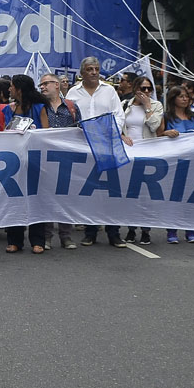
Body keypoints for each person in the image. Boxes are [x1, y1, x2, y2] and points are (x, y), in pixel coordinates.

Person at [69, 57, 129, 248]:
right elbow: (69, 117)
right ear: (82, 73)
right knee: (90, 190)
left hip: (107, 145)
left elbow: (119, 115)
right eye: (89, 69)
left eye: (96, 68)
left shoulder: (109, 90)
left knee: (111, 190)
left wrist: (110, 131)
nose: (94, 72)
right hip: (84, 146)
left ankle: (114, 233)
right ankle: (90, 231)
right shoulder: (73, 93)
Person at [3, 75, 51, 254]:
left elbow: (46, 134)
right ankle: (15, 240)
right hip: (15, 162)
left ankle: (38, 240)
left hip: (35, 160)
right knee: (15, 200)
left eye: (12, 87)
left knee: (36, 200)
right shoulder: (10, 110)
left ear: (19, 89)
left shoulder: (39, 108)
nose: (9, 90)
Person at [38, 73, 80, 250]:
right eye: (41, 85)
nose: (43, 87)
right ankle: (46, 237)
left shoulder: (71, 107)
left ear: (57, 85)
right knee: (46, 198)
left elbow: (80, 128)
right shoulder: (39, 107)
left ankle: (66, 236)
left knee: (65, 198)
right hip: (45, 158)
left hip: (66, 157)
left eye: (46, 84)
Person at [120, 76, 162, 246]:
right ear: (135, 88)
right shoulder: (125, 105)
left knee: (145, 194)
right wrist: (122, 135)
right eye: (142, 88)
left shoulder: (156, 105)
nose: (146, 92)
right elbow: (119, 125)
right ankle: (131, 228)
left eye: (148, 89)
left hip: (148, 152)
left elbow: (154, 126)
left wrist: (148, 107)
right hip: (129, 153)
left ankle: (145, 230)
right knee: (130, 193)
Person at [160, 85, 194, 244]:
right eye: (181, 96)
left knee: (191, 196)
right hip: (174, 163)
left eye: (187, 96)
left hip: (193, 161)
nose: (185, 99)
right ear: (173, 99)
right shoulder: (167, 117)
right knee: (174, 197)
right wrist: (166, 133)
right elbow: (157, 135)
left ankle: (190, 229)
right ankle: (171, 230)